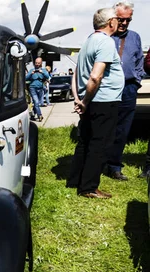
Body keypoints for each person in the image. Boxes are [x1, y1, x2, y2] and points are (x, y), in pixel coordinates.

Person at [67, 7, 124, 199]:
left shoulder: (89, 41)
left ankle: (75, 180)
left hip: (90, 101)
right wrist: (84, 100)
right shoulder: (106, 42)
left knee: (85, 140)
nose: (119, 22)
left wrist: (78, 98)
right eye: (117, 19)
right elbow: (95, 76)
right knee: (100, 144)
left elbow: (76, 74)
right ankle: (89, 187)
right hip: (103, 100)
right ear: (110, 22)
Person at [104, 1, 144, 181]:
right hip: (106, 88)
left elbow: (139, 61)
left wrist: (136, 81)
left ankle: (114, 166)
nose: (124, 23)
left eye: (128, 20)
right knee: (103, 127)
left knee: (122, 129)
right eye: (120, 19)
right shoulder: (103, 36)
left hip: (128, 88)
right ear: (113, 18)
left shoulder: (135, 37)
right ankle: (97, 163)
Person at [26, 57, 50, 122]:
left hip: (41, 88)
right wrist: (31, 73)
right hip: (32, 88)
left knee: (37, 103)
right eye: (36, 63)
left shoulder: (44, 70)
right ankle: (40, 115)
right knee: (36, 102)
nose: (37, 64)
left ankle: (33, 115)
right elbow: (26, 78)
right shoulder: (31, 70)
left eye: (38, 63)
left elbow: (48, 76)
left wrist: (42, 72)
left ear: (41, 63)